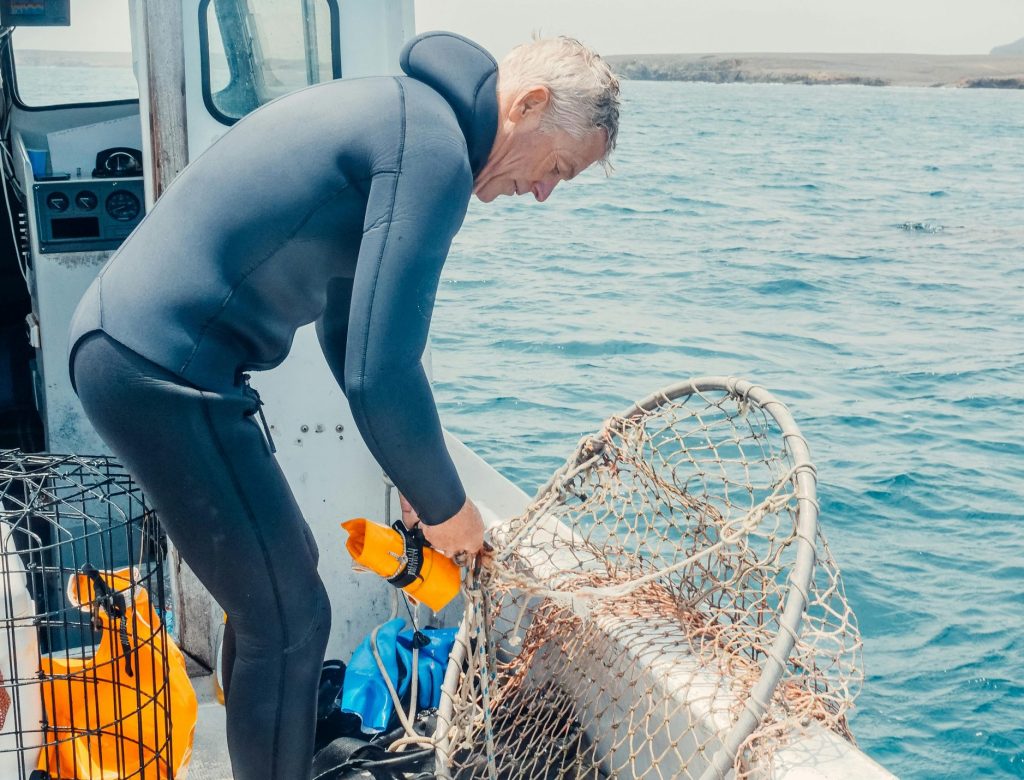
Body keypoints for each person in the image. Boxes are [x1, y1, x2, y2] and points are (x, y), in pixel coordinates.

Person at [68, 30, 619, 780]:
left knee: (281, 597)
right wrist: (450, 509)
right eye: (556, 167)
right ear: (530, 104)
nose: (546, 192)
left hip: (147, 356)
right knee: (288, 619)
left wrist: (420, 488)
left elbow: (347, 332)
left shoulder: (407, 117)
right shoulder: (432, 152)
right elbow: (382, 370)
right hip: (160, 366)